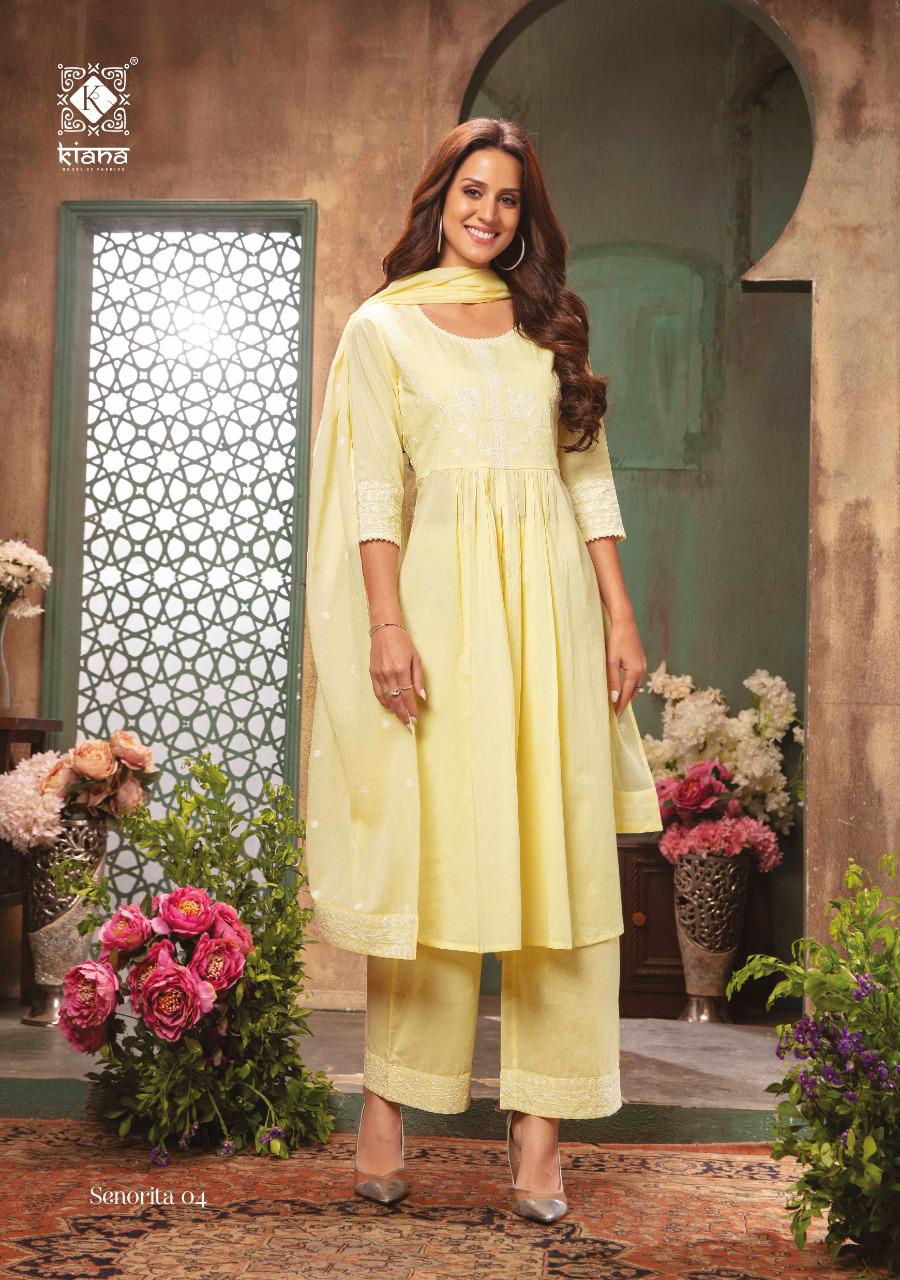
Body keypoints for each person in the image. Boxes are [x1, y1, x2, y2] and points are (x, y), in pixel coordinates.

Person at [304, 117, 662, 1223]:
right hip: (441, 614)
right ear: (439, 197)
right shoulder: (382, 329)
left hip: (553, 612)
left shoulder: (548, 324)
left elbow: (587, 479)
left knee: (559, 857)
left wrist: (619, 612)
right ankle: (387, 1104)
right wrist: (386, 624)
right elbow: (373, 488)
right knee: (441, 856)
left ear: (525, 214)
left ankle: (541, 1129)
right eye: (473, 190)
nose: (489, 213)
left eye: (509, 197)